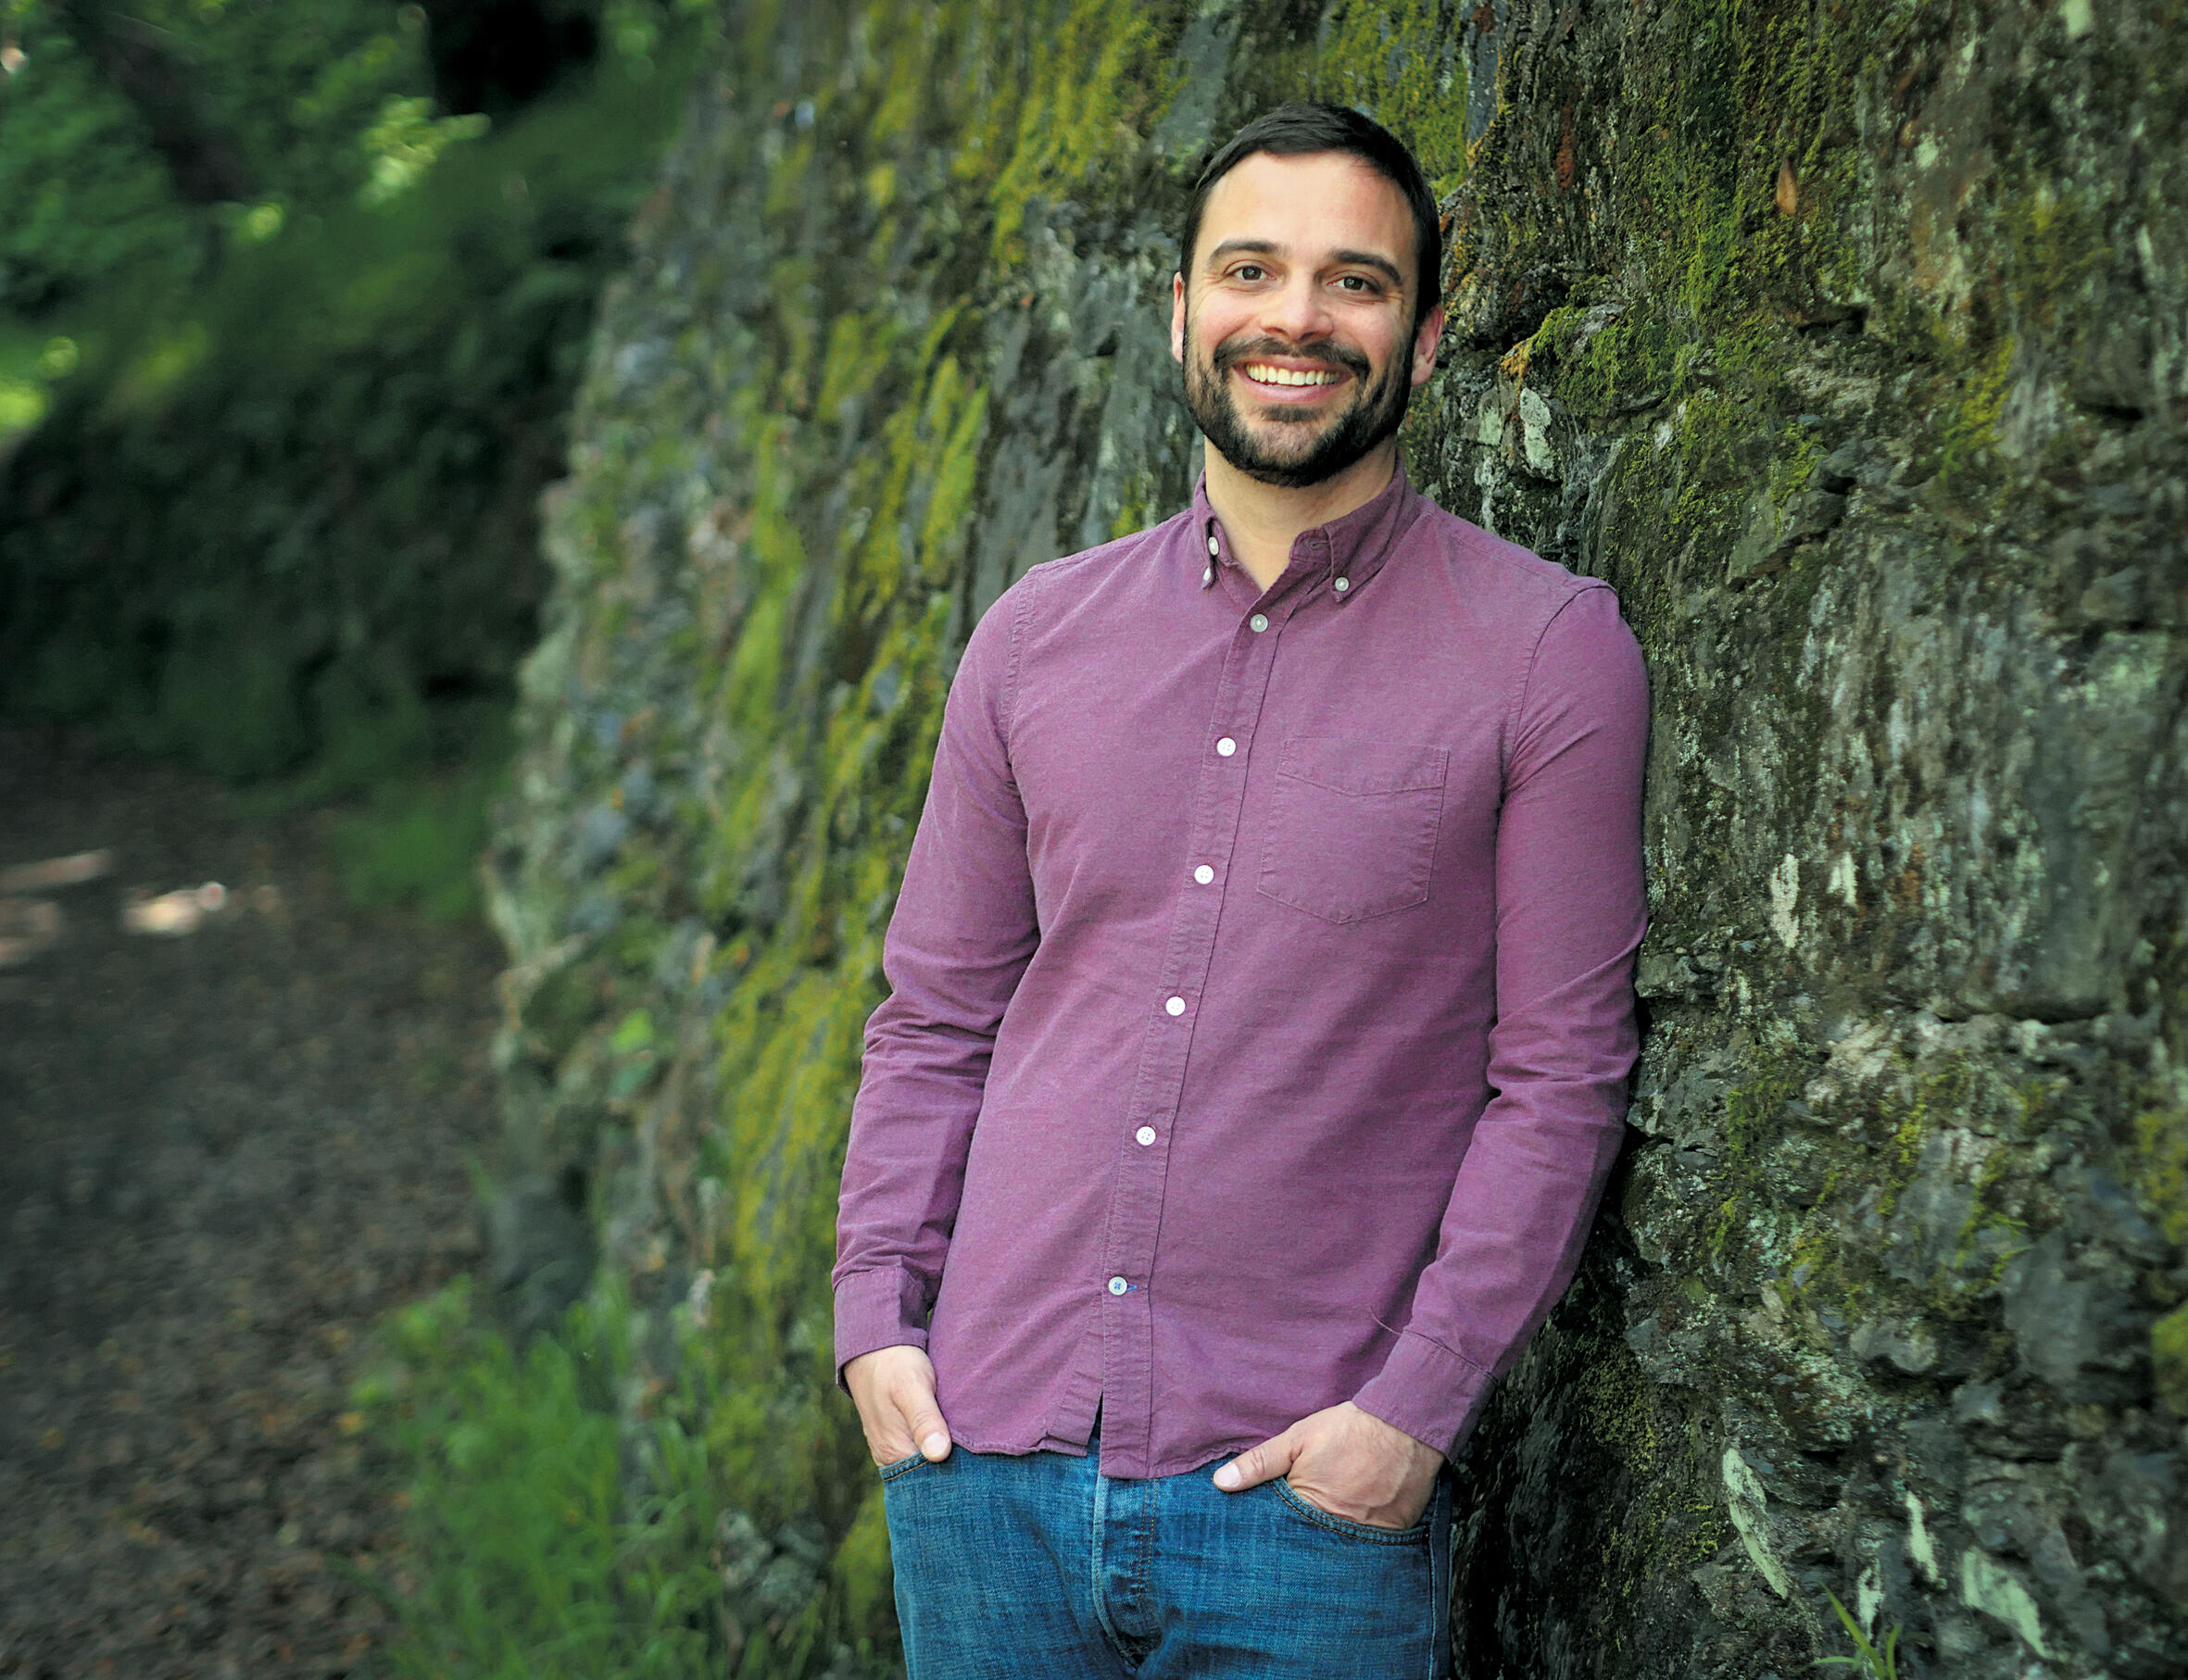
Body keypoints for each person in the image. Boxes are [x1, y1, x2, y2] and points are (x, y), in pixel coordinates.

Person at [832, 101, 1649, 1679]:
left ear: (1422, 337)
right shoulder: (1032, 638)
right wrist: (877, 1319)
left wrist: (1408, 1417)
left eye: (1356, 280)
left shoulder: (1547, 652)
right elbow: (934, 1018)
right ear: (1181, 311)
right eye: (1250, 270)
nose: (1296, 317)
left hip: (1301, 1508)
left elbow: (1560, 1077)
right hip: (979, 1468)